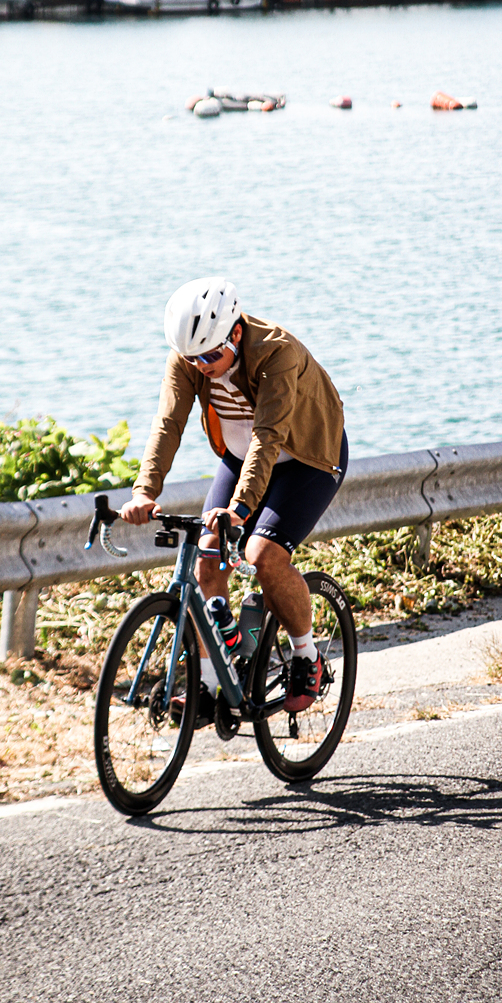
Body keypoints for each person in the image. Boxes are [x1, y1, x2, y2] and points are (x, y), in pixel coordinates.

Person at [122, 277, 348, 723]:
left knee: (263, 555)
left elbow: (269, 436)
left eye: (210, 356)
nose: (201, 366)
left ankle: (307, 657)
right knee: (207, 559)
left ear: (236, 333)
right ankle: (210, 686)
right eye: (193, 358)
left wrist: (240, 508)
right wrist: (145, 490)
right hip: (241, 454)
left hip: (307, 455)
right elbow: (168, 423)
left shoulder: (277, 352)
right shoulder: (189, 355)